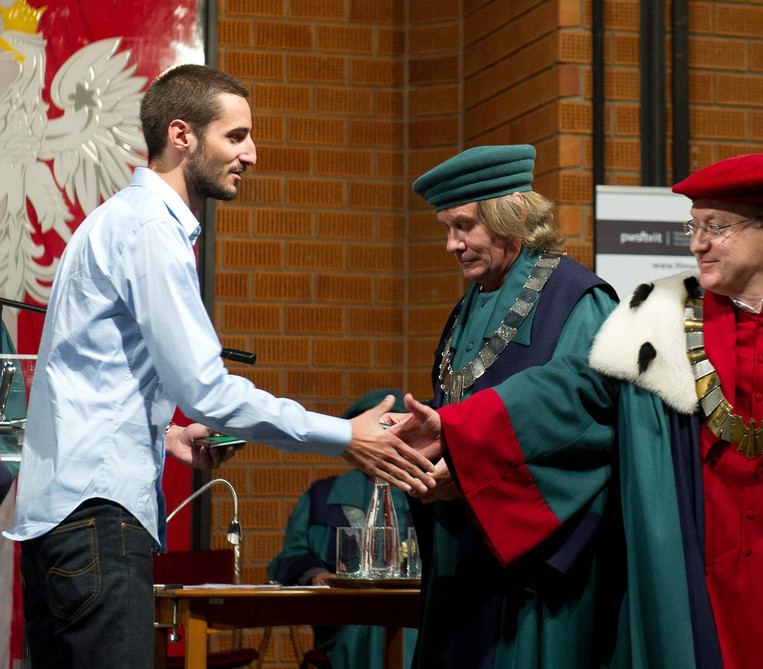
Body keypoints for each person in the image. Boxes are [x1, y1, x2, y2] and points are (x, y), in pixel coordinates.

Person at [396, 153, 763, 669]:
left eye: (716, 227)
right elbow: (572, 390)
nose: (698, 244)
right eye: (694, 226)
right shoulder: (655, 318)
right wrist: (456, 427)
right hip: (694, 581)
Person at [3, 64, 434, 669]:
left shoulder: (115, 218)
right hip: (97, 522)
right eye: (235, 137)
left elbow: (89, 376)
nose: (252, 154)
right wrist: (345, 435)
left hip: (61, 520)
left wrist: (168, 435)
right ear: (182, 135)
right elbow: (206, 389)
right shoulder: (152, 228)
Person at [398, 144, 619, 669]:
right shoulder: (470, 303)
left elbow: (584, 412)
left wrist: (473, 462)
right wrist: (417, 438)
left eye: (465, 226)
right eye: (446, 228)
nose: (452, 245)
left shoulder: (579, 299)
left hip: (536, 563)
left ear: (513, 214)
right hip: (463, 545)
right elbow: (456, 402)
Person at [268, 389, 418, 669]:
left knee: (405, 622)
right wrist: (318, 575)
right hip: (345, 615)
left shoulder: (427, 491)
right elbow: (293, 555)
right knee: (376, 623)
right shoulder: (322, 497)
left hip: (417, 610)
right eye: (380, 430)